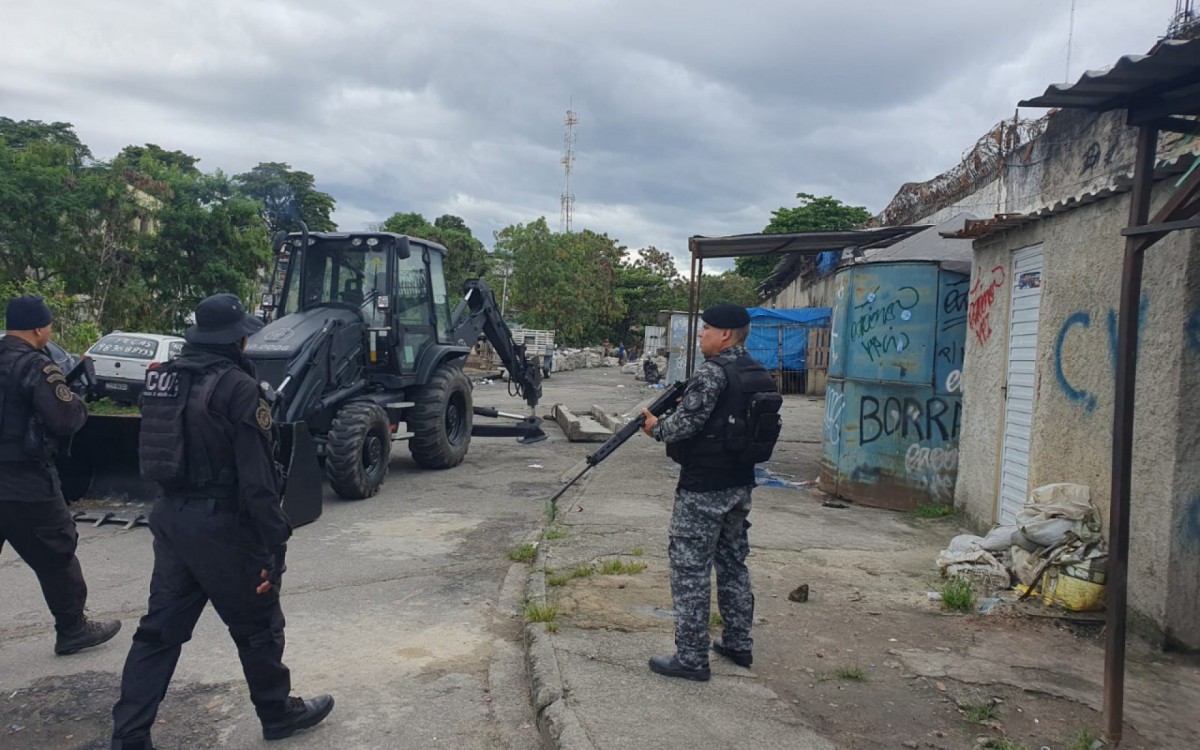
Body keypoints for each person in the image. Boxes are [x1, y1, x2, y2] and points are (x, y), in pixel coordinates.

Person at [110, 294, 333, 750]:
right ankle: (277, 713)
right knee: (258, 623)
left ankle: (129, 736)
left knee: (158, 632)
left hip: (171, 518)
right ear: (237, 339)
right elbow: (257, 482)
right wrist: (276, 543)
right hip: (224, 527)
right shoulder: (237, 388)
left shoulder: (163, 379)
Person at [640, 303, 776, 681]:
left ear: (726, 335)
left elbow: (681, 426)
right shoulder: (757, 372)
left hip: (703, 487)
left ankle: (692, 658)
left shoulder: (712, 373)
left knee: (690, 569)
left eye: (707, 329)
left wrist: (655, 426)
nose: (700, 335)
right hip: (740, 484)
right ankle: (738, 643)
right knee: (733, 564)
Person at [0, 295, 122, 655]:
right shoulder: (38, 367)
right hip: (26, 481)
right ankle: (72, 628)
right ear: (39, 328)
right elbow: (66, 419)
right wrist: (77, 396)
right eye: (49, 325)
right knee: (56, 552)